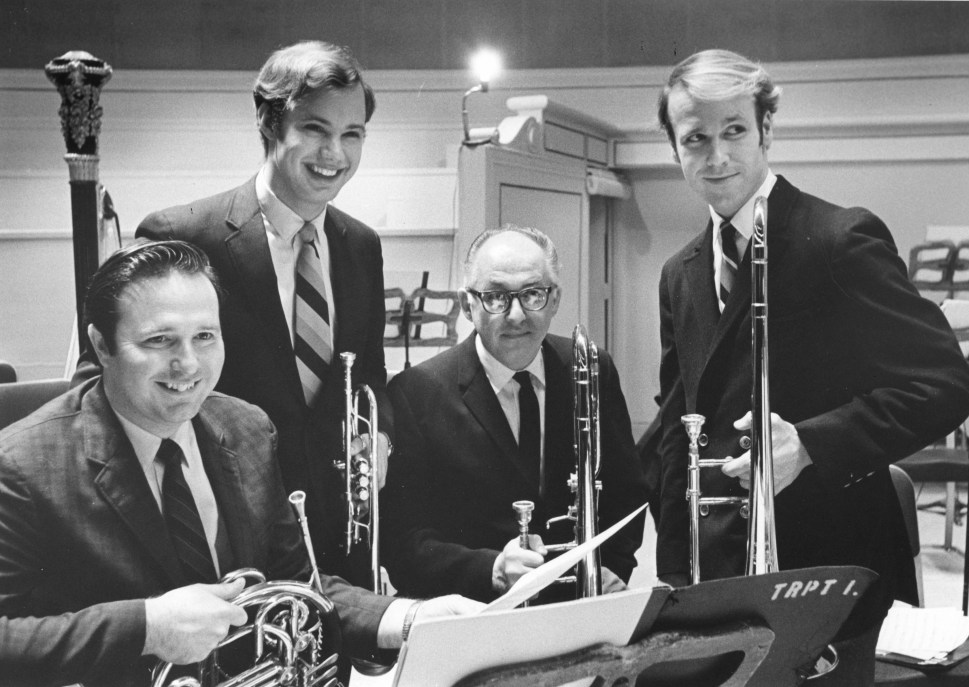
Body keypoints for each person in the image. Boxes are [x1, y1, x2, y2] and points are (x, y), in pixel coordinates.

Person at [0, 241, 481, 687]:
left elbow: (292, 580)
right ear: (101, 345)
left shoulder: (246, 427)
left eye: (205, 336)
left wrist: (408, 617)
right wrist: (145, 627)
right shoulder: (21, 465)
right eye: (159, 340)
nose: (189, 364)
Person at [652, 50, 969, 683]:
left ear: (766, 130)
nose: (716, 156)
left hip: (833, 571)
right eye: (695, 139)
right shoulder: (679, 274)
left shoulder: (838, 238)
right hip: (721, 580)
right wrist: (673, 570)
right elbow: (675, 429)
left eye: (734, 130)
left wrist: (809, 444)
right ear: (675, 149)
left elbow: (944, 385)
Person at [124, 40, 388, 583]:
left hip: (337, 529)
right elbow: (112, 386)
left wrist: (379, 436)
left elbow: (371, 374)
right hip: (223, 528)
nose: (334, 153)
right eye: (315, 129)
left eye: (352, 134)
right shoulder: (183, 234)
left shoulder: (362, 245)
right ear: (269, 123)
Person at [380, 226, 648, 602]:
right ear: (466, 304)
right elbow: (403, 542)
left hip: (578, 607)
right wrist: (490, 569)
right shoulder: (416, 392)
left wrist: (610, 568)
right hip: (472, 613)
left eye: (533, 294)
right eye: (495, 297)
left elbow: (626, 493)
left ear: (554, 300)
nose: (517, 315)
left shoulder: (591, 368)